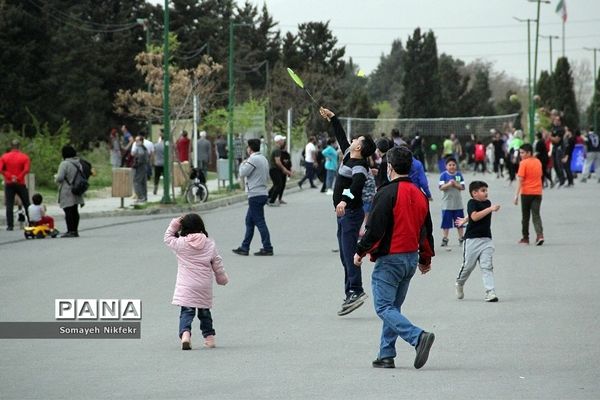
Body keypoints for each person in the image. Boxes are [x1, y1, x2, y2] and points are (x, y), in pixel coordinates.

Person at [354, 146, 435, 370]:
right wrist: (425, 258)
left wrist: (360, 250)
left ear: (389, 167)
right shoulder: (420, 194)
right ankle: (386, 354)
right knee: (393, 309)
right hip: (410, 258)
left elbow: (375, 228)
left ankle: (418, 337)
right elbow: (426, 229)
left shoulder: (386, 192)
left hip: (391, 258)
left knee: (383, 307)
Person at [319, 106, 376, 316]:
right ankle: (350, 293)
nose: (352, 140)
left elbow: (356, 188)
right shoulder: (348, 157)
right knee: (345, 255)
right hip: (344, 215)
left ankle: (357, 290)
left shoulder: (359, 166)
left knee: (350, 254)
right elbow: (341, 136)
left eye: (356, 139)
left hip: (351, 215)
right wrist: (333, 118)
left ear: (359, 147)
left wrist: (344, 200)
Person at [163, 213, 229, 350]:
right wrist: (221, 277)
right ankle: (209, 338)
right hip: (204, 284)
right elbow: (217, 262)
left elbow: (168, 238)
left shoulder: (181, 243)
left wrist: (174, 224)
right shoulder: (209, 243)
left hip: (187, 285)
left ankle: (186, 335)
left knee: (187, 312)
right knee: (204, 312)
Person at [455, 181, 501, 302]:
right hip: (472, 240)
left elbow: (472, 215)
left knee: (487, 266)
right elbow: (474, 216)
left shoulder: (487, 203)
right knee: (468, 266)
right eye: (483, 190)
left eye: (486, 190)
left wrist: (465, 220)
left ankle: (490, 291)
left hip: (486, 239)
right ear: (474, 193)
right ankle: (459, 283)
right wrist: (490, 209)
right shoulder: (472, 202)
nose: (486, 193)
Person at [232, 138, 273, 256]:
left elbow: (242, 173)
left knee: (260, 221)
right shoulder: (263, 158)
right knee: (249, 221)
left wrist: (242, 163)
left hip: (255, 194)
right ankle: (245, 247)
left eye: (247, 147)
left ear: (250, 148)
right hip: (262, 192)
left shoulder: (253, 159)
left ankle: (268, 247)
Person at [513, 143, 544, 245]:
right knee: (536, 215)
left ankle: (525, 238)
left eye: (522, 153)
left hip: (526, 193)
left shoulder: (523, 163)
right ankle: (540, 235)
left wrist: (516, 195)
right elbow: (540, 175)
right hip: (537, 193)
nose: (521, 155)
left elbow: (520, 180)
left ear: (529, 153)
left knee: (525, 217)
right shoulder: (538, 162)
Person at [0, 139, 31, 230]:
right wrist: (18, 177)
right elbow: (26, 170)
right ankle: (31, 222)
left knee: (9, 204)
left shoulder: (4, 157)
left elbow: (1, 169)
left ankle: (10, 225)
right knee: (26, 203)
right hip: (20, 182)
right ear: (19, 147)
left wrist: (9, 176)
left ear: (11, 147)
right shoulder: (24, 157)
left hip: (9, 183)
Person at [55, 145, 85, 237]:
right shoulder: (78, 163)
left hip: (67, 190)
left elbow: (60, 178)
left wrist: (55, 177)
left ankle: (70, 230)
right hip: (77, 189)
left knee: (68, 211)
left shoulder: (64, 164)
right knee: (75, 211)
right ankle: (75, 230)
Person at [438, 157, 465, 247]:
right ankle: (445, 238)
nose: (452, 167)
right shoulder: (443, 175)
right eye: (450, 165)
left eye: (453, 165)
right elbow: (441, 187)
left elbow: (462, 187)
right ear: (446, 166)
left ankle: (461, 238)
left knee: (459, 222)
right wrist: (449, 184)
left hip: (458, 204)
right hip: (447, 204)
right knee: (446, 223)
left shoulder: (459, 175)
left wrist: (456, 184)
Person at [268, 135, 292, 206]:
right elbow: (278, 162)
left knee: (276, 185)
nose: (283, 141)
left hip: (275, 169)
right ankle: (271, 201)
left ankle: (268, 197)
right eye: (282, 140)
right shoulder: (277, 150)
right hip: (274, 169)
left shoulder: (277, 149)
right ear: (278, 141)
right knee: (278, 185)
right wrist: (284, 169)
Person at [132, 136, 149, 203]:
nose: (136, 142)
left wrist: (136, 164)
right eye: (135, 140)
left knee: (136, 182)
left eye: (137, 141)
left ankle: (140, 197)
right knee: (143, 182)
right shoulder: (144, 148)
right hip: (144, 167)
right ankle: (144, 197)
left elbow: (140, 157)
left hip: (140, 167)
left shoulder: (139, 148)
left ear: (141, 141)